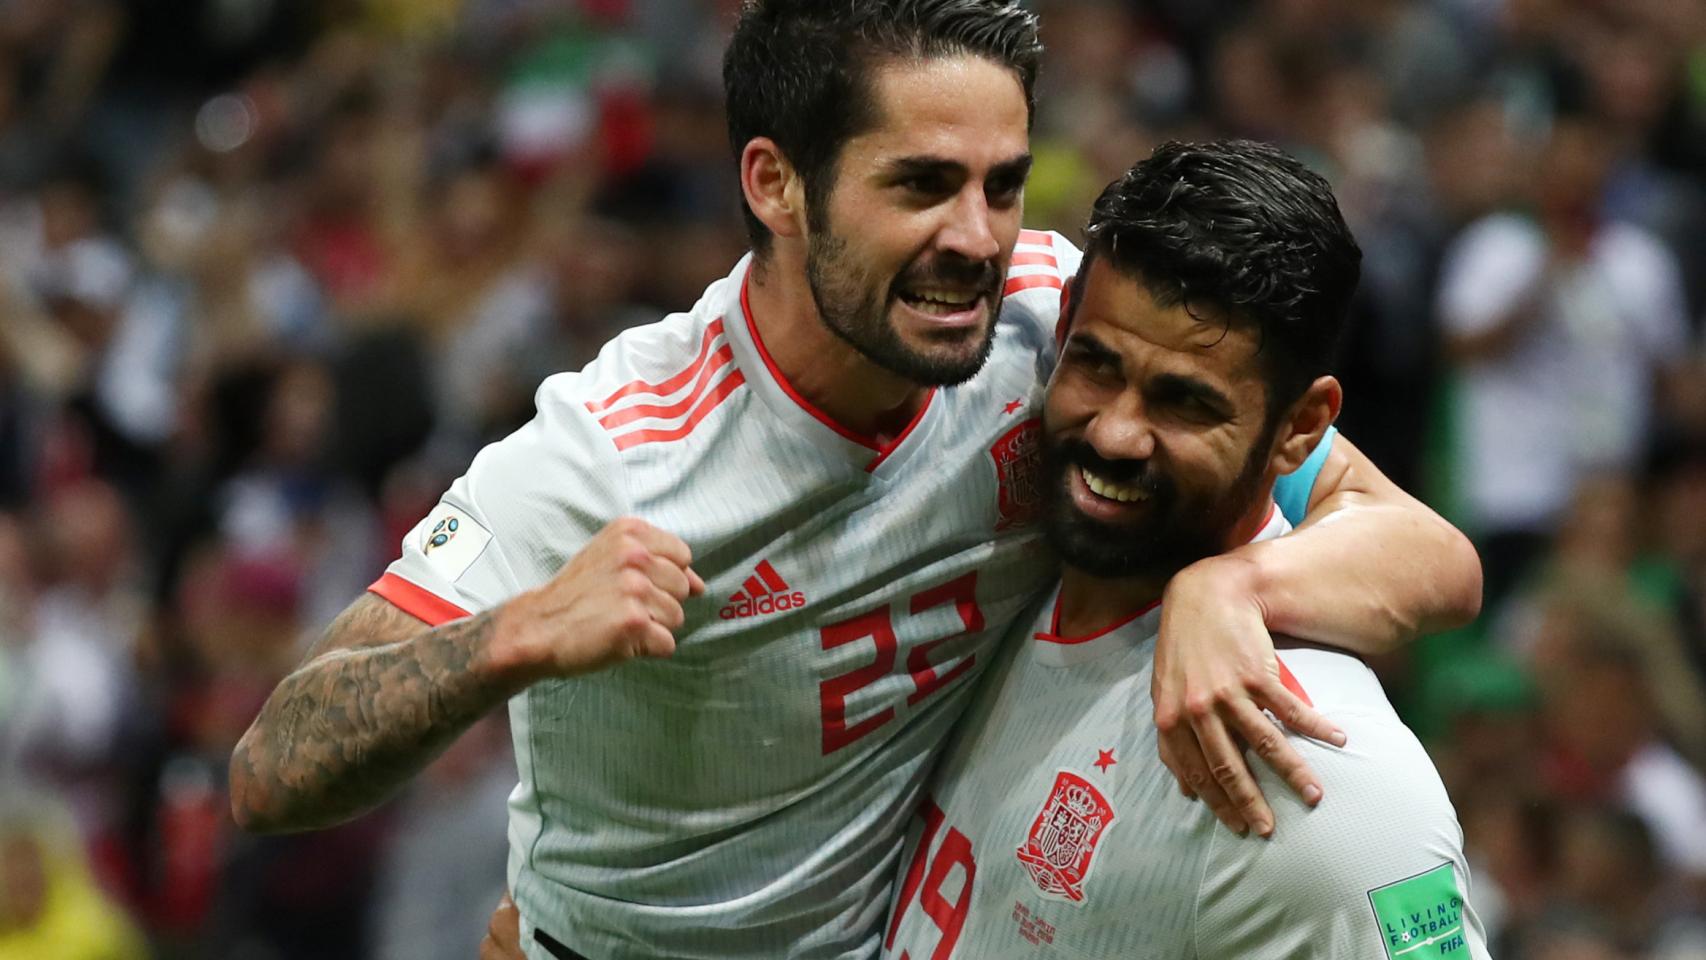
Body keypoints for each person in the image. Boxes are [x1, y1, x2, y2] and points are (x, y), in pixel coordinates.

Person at [230, 2, 1482, 957]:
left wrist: (1239, 590)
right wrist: (510, 637)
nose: (977, 239)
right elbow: (273, 768)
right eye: (921, 186)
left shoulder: (1065, 332)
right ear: (774, 182)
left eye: (1000, 183)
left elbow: (1419, 546)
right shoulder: (614, 451)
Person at [883, 140, 1490, 959]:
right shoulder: (1008, 554)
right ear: (1064, 325)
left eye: (1184, 403)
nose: (1115, 434)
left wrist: (1232, 584)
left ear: (1301, 429)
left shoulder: (1333, 788)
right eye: (1097, 365)